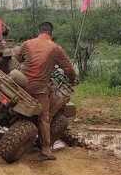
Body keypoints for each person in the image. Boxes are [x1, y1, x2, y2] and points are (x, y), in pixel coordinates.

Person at [16, 22, 76, 161]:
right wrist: (72, 80)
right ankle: (46, 149)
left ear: (39, 31)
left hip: (21, 84)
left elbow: (18, 58)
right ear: (51, 34)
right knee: (44, 117)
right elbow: (69, 70)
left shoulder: (27, 43)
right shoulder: (55, 48)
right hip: (39, 89)